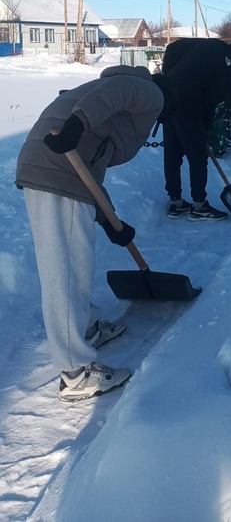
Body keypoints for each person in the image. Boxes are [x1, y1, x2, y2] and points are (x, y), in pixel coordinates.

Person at [15, 64, 176, 402]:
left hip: (50, 165)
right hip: (58, 169)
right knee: (66, 269)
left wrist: (110, 220)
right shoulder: (147, 91)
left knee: (69, 261)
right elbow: (111, 95)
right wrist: (79, 124)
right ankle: (75, 373)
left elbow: (91, 167)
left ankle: (85, 326)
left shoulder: (120, 100)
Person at [161, 35, 231, 220]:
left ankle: (176, 203)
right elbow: (210, 102)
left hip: (167, 99)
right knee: (198, 156)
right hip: (189, 105)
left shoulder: (214, 44)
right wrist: (204, 130)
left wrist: (170, 80)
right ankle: (199, 207)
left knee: (173, 153)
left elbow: (173, 48)